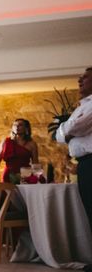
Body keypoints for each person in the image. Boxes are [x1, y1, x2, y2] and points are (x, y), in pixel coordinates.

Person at [56, 67, 92, 240]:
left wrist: (67, 130)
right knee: (89, 210)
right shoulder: (81, 107)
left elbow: (76, 127)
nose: (79, 80)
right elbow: (60, 135)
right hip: (84, 163)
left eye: (84, 78)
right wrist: (67, 131)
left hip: (90, 162)